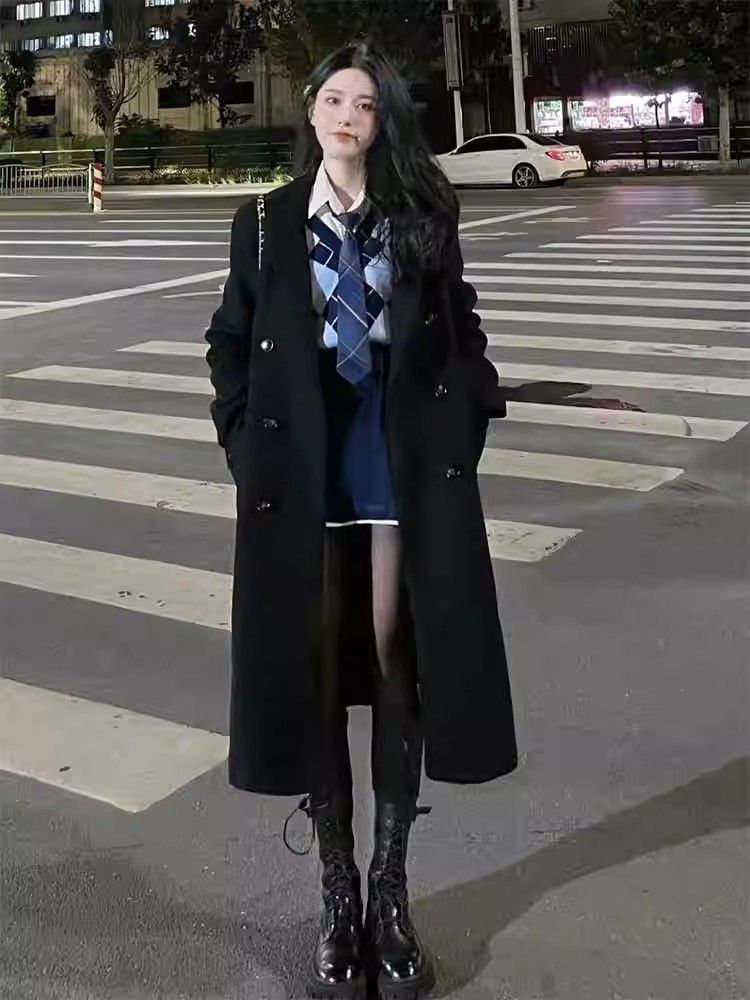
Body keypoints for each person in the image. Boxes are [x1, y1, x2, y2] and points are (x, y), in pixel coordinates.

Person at [205, 42, 517, 1000]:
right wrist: (244, 444)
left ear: (385, 123)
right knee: (312, 664)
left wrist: (465, 417)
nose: (347, 116)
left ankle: (390, 890)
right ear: (311, 110)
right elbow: (229, 341)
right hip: (302, 460)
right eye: (334, 100)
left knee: (389, 659)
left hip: (392, 452)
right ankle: (336, 895)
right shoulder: (265, 221)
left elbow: (461, 325)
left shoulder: (421, 211)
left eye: (366, 105)